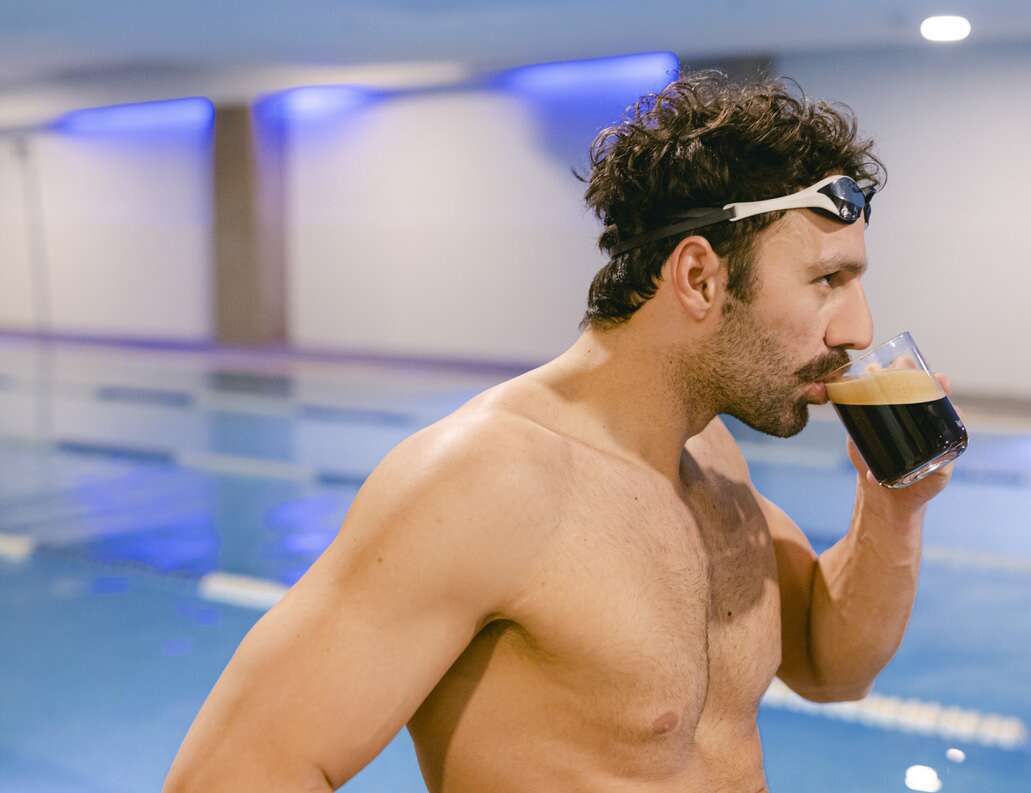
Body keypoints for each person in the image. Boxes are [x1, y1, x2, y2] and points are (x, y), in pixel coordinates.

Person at [163, 71, 957, 793]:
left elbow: (830, 662)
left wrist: (894, 505)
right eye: (827, 280)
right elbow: (230, 775)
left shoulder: (711, 459)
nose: (858, 328)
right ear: (698, 277)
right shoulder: (486, 481)